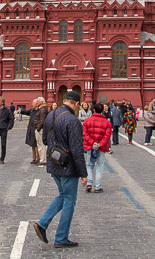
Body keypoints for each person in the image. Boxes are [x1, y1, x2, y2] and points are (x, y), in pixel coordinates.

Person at [33, 89, 86, 249]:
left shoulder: (51, 115)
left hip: (53, 162)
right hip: (67, 165)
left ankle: (42, 224)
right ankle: (61, 237)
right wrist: (83, 173)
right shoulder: (72, 120)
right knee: (70, 199)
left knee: (63, 195)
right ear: (76, 103)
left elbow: (44, 139)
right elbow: (77, 149)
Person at [81, 103, 111, 193]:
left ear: (93, 110)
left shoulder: (87, 121)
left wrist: (92, 143)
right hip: (101, 148)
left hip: (90, 147)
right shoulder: (107, 123)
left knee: (89, 165)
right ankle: (98, 187)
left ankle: (89, 183)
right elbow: (107, 136)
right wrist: (99, 144)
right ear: (102, 111)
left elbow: (85, 134)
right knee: (99, 166)